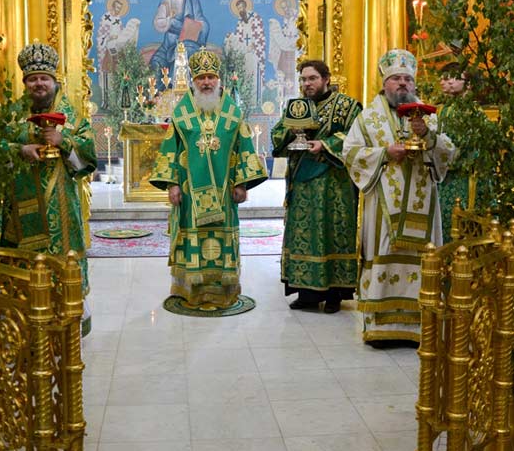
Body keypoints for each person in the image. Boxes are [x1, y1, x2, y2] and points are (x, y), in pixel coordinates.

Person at [342, 49, 456, 344]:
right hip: (383, 208)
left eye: (407, 78)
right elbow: (350, 152)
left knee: (423, 258)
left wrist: (427, 136)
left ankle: (420, 328)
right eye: (396, 79)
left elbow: (448, 153)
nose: (403, 83)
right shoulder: (368, 118)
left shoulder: (429, 118)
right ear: (385, 84)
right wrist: (384, 153)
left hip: (423, 203)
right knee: (384, 253)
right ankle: (380, 329)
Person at [149, 48, 267, 309]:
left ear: (218, 79)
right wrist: (172, 184)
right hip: (189, 194)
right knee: (192, 237)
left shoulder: (232, 113)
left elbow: (244, 147)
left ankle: (223, 292)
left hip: (225, 192)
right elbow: (170, 150)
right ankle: (191, 291)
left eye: (210, 77)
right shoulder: (182, 113)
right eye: (201, 78)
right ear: (193, 80)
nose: (206, 83)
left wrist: (242, 183)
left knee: (222, 240)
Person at [0, 42, 97, 315]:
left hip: (61, 208)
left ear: (54, 81)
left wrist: (63, 140)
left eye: (44, 78)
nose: (39, 84)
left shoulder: (71, 117)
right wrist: (20, 150)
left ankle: (69, 314)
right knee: (26, 274)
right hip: (21, 210)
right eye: (33, 79)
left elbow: (88, 158)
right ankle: (24, 314)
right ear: (25, 83)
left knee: (64, 266)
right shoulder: (12, 116)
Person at [271, 60, 362, 313]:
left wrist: (326, 144)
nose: (307, 84)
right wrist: (292, 132)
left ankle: (335, 295)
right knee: (304, 237)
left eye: (312, 78)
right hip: (302, 186)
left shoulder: (347, 106)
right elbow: (277, 136)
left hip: (335, 186)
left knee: (334, 235)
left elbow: (357, 137)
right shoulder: (296, 107)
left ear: (326, 79)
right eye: (303, 79)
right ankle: (307, 295)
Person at [437, 63, 491, 242]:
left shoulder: (472, 111)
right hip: (444, 175)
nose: (445, 81)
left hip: (465, 176)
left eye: (452, 77)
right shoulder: (443, 109)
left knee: (462, 223)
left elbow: (468, 146)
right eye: (443, 78)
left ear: (468, 83)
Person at [149, 0, 209, 83]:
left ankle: (180, 90)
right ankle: (160, 93)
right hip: (169, 43)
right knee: (156, 63)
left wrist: (197, 26)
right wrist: (170, 20)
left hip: (189, 42)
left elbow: (201, 21)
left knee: (181, 58)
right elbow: (158, 22)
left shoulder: (193, 0)